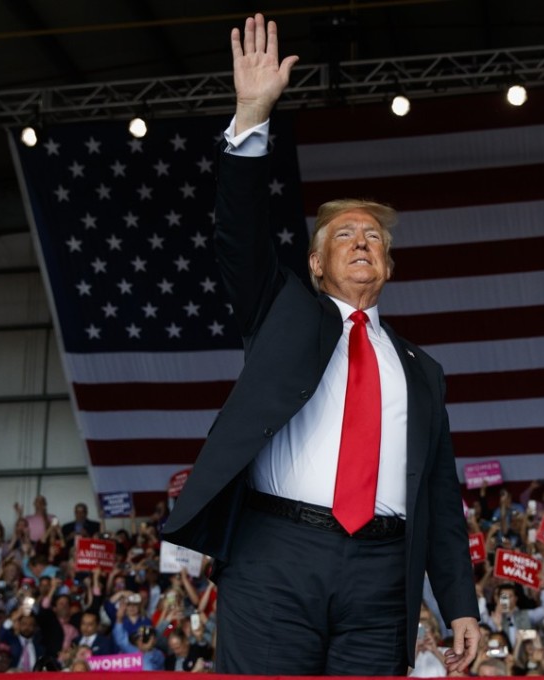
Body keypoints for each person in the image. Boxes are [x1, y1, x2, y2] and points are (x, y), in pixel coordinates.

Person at [159, 12, 480, 675]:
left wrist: (460, 605)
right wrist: (251, 115)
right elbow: (241, 233)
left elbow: (441, 503)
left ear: (389, 267)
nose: (361, 244)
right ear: (313, 265)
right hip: (277, 558)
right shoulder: (282, 311)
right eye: (343, 236)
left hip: (384, 578)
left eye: (373, 240)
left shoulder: (424, 372)